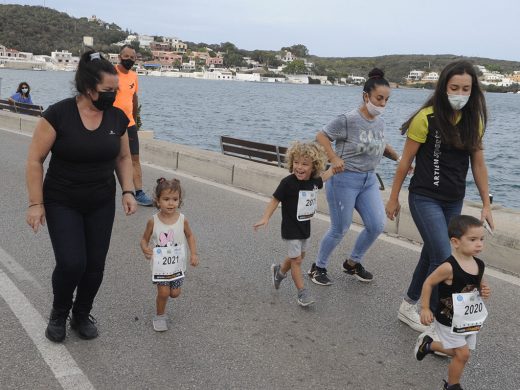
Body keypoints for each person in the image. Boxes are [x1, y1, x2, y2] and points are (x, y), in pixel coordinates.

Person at [26, 50, 137, 343]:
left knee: (95, 266)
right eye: (107, 90)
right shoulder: (58, 114)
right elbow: (35, 160)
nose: (112, 95)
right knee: (72, 263)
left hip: (100, 201)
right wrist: (36, 203)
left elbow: (124, 157)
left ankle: (81, 313)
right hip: (62, 200)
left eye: (116, 90)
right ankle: (59, 312)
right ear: (89, 88)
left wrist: (128, 190)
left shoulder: (117, 117)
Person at [385, 60, 494, 334]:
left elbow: (478, 165)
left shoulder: (473, 121)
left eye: (465, 88)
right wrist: (393, 196)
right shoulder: (427, 118)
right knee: (444, 256)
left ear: (473, 90)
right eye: (454, 87)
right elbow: (405, 161)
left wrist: (486, 204)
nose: (459, 93)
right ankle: (434, 320)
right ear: (444, 87)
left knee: (431, 252)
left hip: (453, 199)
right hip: (424, 197)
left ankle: (409, 303)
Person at [308, 68, 401, 286]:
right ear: (366, 96)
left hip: (368, 181)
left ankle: (352, 263)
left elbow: (380, 144)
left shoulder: (379, 122)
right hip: (344, 180)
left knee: (376, 225)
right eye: (379, 99)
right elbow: (321, 135)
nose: (383, 104)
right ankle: (318, 267)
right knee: (340, 228)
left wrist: (399, 159)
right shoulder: (348, 119)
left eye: (386, 100)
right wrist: (333, 157)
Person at [414, 215, 490, 390]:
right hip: (448, 319)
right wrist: (425, 307)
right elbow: (429, 282)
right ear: (455, 242)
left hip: (468, 319)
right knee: (462, 354)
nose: (479, 244)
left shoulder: (479, 264)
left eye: (481, 239)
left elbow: (479, 283)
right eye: (473, 239)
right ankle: (452, 385)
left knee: (462, 353)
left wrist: (484, 289)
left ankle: (428, 345)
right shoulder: (448, 267)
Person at [253, 141, 334, 306]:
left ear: (314, 166)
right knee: (297, 260)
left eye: (305, 164)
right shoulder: (287, 183)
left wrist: (335, 168)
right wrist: (265, 217)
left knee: (299, 256)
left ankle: (279, 272)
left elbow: (323, 178)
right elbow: (275, 199)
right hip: (290, 228)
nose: (299, 167)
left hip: (305, 227)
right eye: (296, 162)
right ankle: (302, 293)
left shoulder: (313, 181)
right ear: (291, 163)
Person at [140, 177, 199, 331]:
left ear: (179, 201)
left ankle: (165, 303)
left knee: (174, 293)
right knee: (164, 292)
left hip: (178, 266)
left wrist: (194, 254)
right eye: (166, 199)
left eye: (175, 199)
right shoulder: (153, 221)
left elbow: (190, 236)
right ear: (158, 201)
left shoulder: (182, 220)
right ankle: (160, 316)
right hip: (160, 267)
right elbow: (144, 240)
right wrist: (145, 249)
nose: (171, 203)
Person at [114, 44, 153, 206]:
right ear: (119, 57)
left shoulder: (133, 76)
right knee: (107, 158)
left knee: (134, 159)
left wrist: (135, 120)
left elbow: (134, 98)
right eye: (126, 57)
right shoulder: (110, 73)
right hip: (111, 123)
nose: (129, 60)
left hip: (129, 124)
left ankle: (139, 192)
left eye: (132, 58)